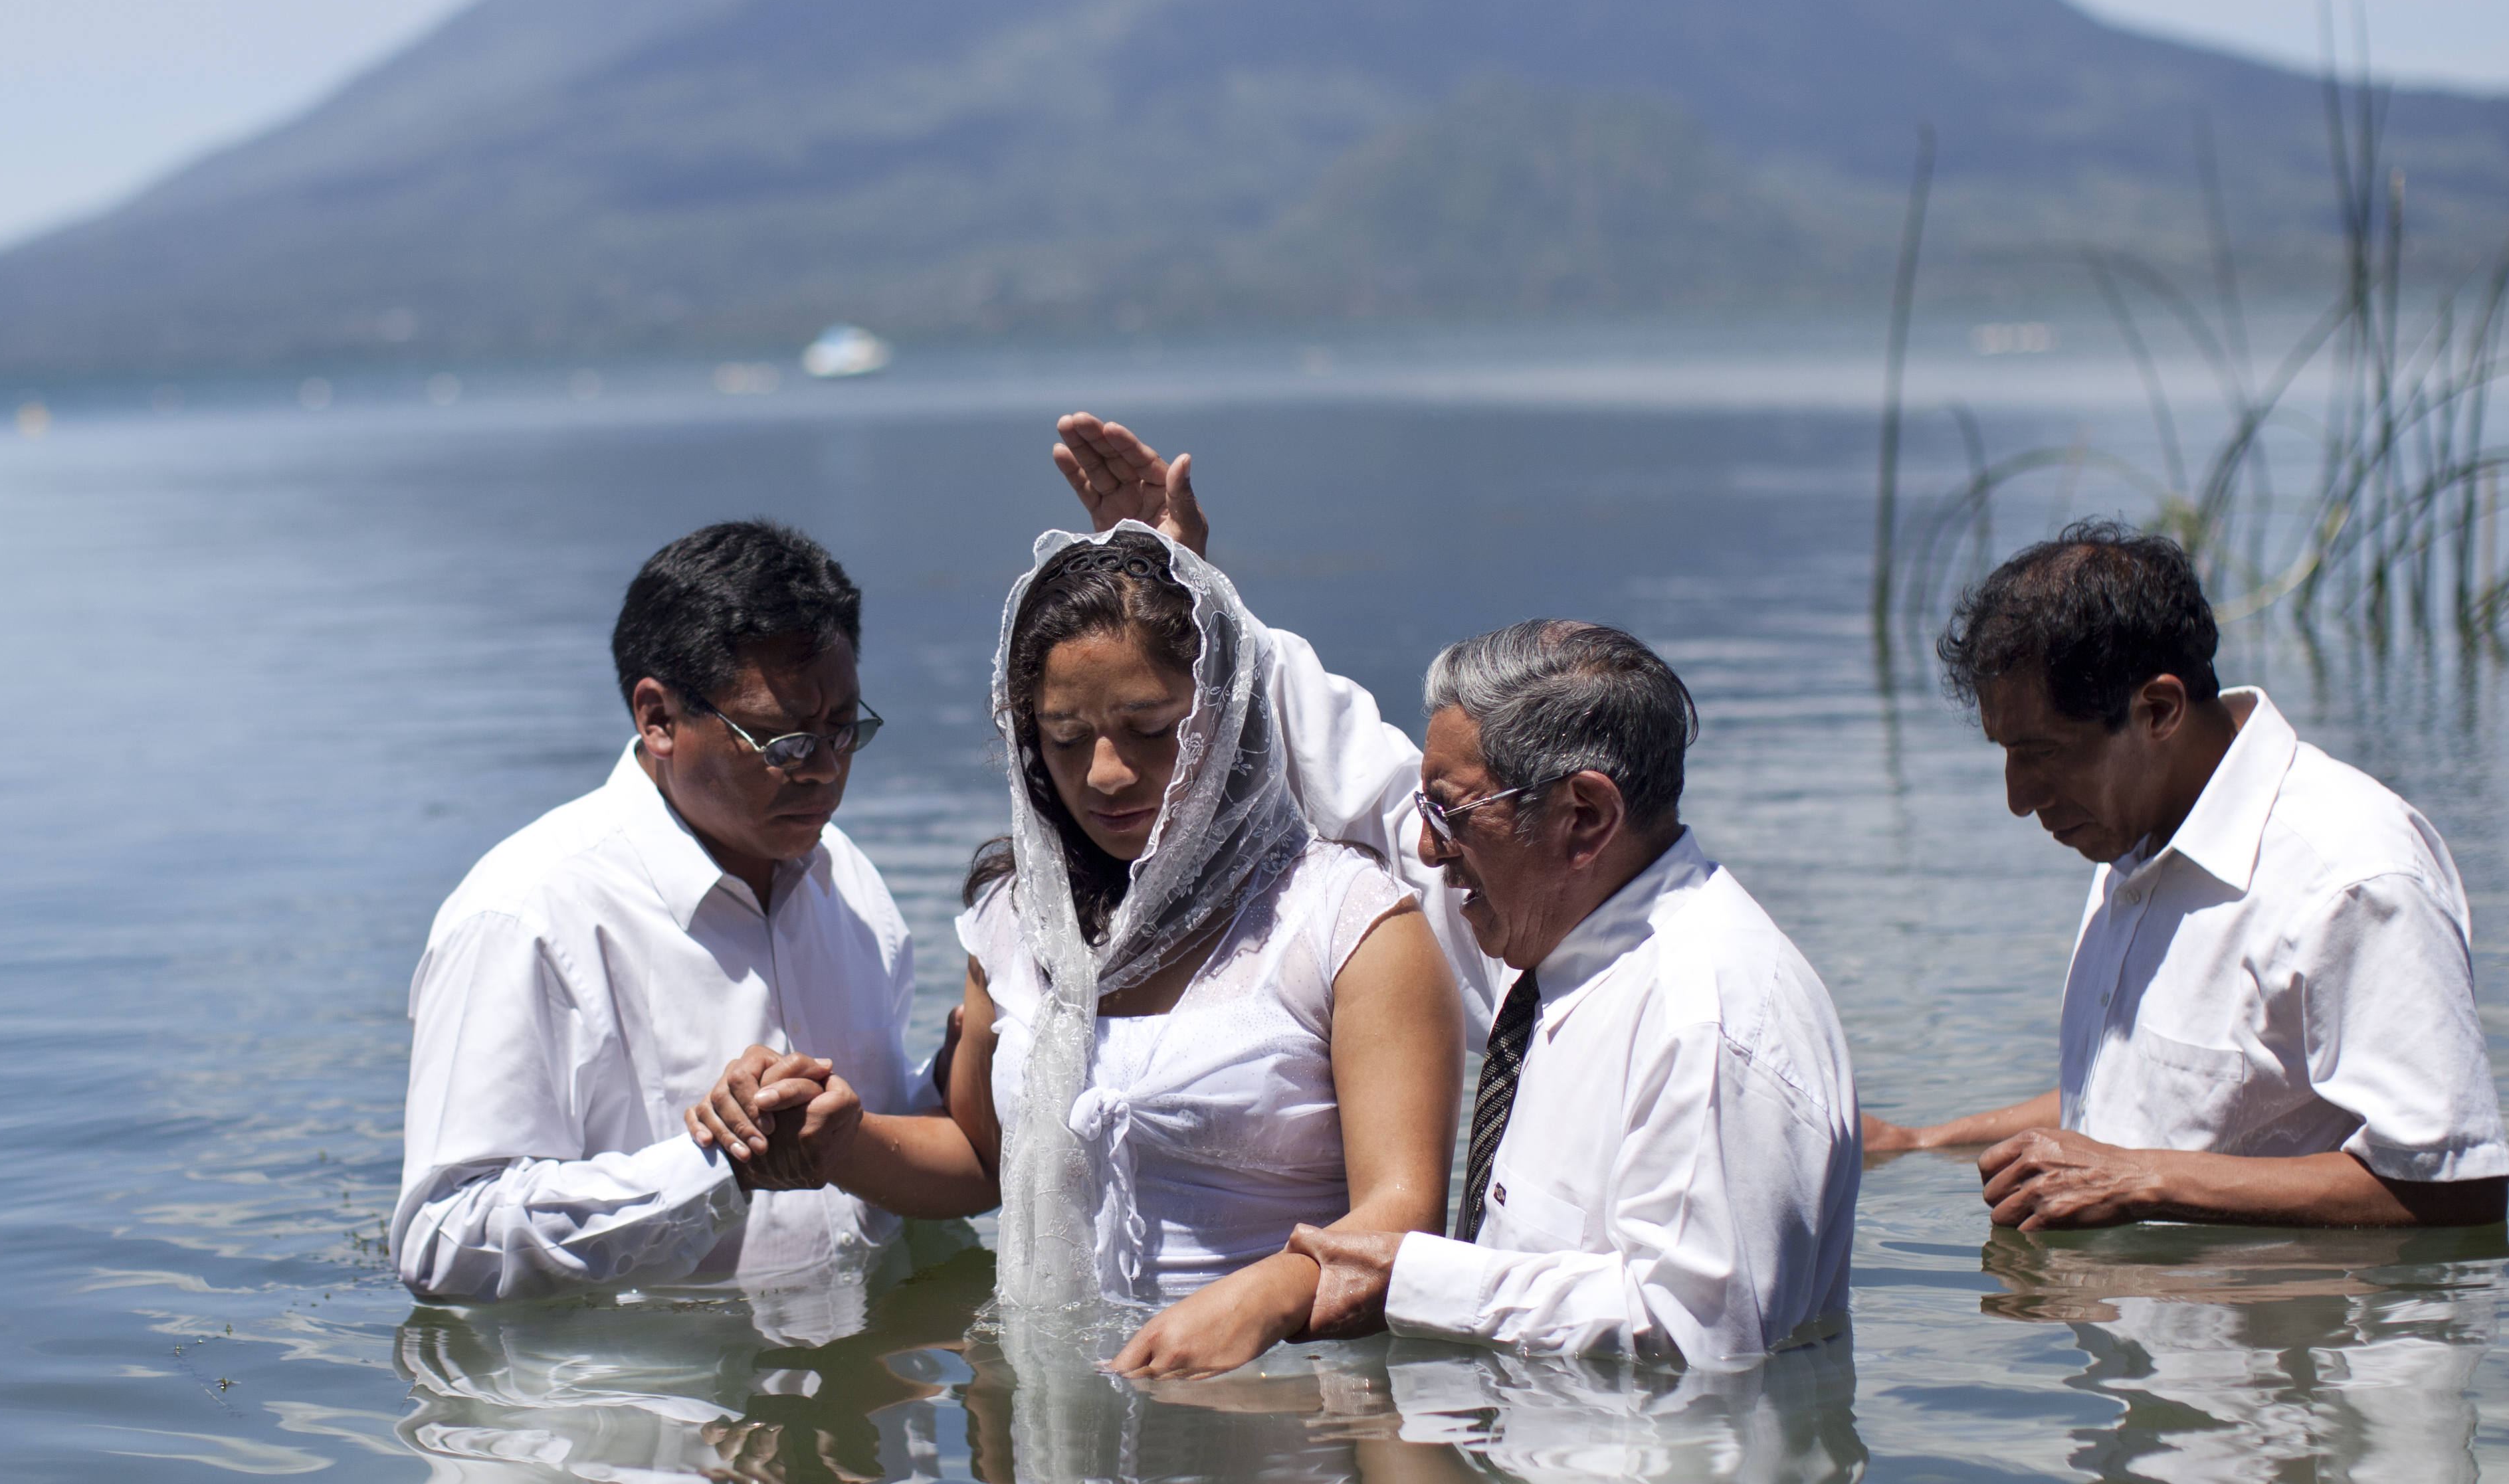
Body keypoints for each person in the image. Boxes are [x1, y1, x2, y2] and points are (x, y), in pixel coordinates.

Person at [1047, 415, 1862, 1371]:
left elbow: (1700, 1331)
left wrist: (1400, 1276)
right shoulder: (1562, 935)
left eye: (1453, 814)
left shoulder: (1707, 1012)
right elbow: (1364, 778)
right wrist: (1198, 598)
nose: (1423, 850)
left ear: (1584, 818)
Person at [687, 524, 1464, 1381]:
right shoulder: (1018, 920)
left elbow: (1404, 1218)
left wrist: (1270, 1291)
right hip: (1063, 1452)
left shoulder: (1348, 924)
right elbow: (988, 1166)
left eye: (1148, 727)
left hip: (1286, 1427)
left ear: (1226, 715)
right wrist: (842, 1143)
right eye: (1064, 737)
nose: (1104, 773)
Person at [1860, 521, 2509, 1230]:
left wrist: (2146, 1182)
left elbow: (2457, 1192)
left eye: (2044, 752)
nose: (2019, 797)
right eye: (2007, 753)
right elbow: (2162, 1084)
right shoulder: (2136, 835)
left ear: (2160, 711)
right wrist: (1923, 1143)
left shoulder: (2351, 878)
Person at [389, 519, 929, 1311]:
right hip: (645, 1410)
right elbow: (442, 1239)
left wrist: (978, 1067)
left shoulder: (845, 876)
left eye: (844, 730)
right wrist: (719, 1167)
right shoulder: (524, 916)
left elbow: (877, 1133)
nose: (823, 772)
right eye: (780, 742)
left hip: (863, 1380)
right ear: (658, 718)